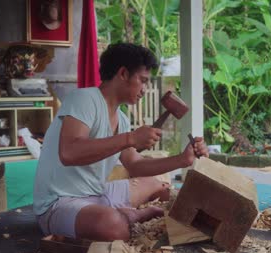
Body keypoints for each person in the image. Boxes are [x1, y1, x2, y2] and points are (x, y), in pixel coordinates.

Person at [33, 43, 209, 242]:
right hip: (59, 203)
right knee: (113, 227)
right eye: (142, 81)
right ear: (123, 73)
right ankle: (129, 216)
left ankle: (127, 216)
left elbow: (135, 165)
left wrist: (183, 160)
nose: (144, 89)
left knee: (158, 186)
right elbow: (69, 153)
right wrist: (131, 138)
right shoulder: (84, 99)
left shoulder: (122, 120)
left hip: (98, 195)